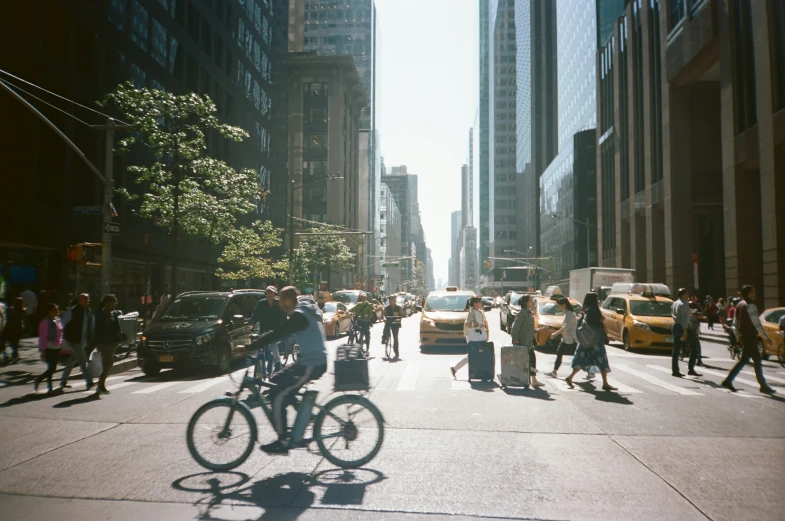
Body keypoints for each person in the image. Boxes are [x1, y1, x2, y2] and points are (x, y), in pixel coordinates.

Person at [254, 286, 328, 454]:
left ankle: (282, 441)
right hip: (306, 360)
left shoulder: (299, 315)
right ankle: (305, 414)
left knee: (277, 397)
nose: (280, 305)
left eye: (281, 301)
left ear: (288, 300)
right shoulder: (300, 311)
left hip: (312, 363)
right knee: (277, 380)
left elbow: (280, 333)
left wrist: (252, 346)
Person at [722, 285, 774, 394]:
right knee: (744, 360)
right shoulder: (750, 306)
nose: (755, 294)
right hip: (750, 337)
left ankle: (763, 385)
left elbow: (735, 322)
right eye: (753, 292)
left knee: (757, 360)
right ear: (749, 293)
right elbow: (757, 324)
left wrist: (738, 336)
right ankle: (728, 380)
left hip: (745, 337)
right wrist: (766, 337)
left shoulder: (739, 305)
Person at [565, 292, 616, 391]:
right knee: (602, 360)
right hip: (596, 340)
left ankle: (570, 377)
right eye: (596, 299)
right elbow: (598, 327)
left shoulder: (585, 310)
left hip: (585, 340)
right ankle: (605, 383)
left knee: (580, 359)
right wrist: (604, 333)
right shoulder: (595, 310)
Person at [59, 293, 95, 390]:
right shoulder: (72, 311)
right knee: (84, 361)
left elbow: (91, 326)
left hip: (82, 341)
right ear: (79, 300)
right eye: (85, 299)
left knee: (71, 361)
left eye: (88, 300)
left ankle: (63, 381)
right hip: (74, 341)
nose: (88, 301)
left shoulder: (88, 311)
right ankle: (89, 381)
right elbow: (62, 324)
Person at [450, 296, 489, 378]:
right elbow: (468, 324)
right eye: (479, 302)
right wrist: (478, 324)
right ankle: (479, 372)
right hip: (474, 338)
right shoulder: (472, 312)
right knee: (473, 355)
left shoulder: (479, 312)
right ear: (475, 304)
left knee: (474, 355)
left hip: (479, 337)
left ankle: (455, 369)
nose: (481, 304)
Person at [251, 286, 287, 375]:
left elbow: (283, 318)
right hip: (263, 330)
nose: (269, 294)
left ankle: (277, 362)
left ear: (275, 294)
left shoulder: (279, 304)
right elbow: (255, 315)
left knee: (273, 344)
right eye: (268, 292)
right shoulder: (261, 303)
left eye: (271, 293)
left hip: (276, 331)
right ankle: (259, 363)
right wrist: (251, 325)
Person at [510, 295, 544, 387]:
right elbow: (515, 328)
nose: (532, 302)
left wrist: (538, 330)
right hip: (522, 343)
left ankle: (533, 379)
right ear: (526, 303)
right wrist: (515, 340)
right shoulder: (522, 313)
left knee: (532, 361)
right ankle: (520, 379)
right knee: (522, 362)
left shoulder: (529, 313)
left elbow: (529, 329)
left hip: (529, 343)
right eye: (530, 301)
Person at [94, 295, 122, 394]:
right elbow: (98, 330)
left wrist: (119, 337)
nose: (114, 305)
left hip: (112, 342)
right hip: (104, 342)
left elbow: (116, 327)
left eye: (115, 303)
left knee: (107, 363)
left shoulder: (114, 314)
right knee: (109, 362)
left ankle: (101, 384)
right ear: (107, 303)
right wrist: (98, 342)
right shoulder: (101, 315)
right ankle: (100, 384)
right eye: (113, 303)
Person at [33, 304, 63, 393]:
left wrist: (60, 346)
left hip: (56, 347)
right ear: (49, 311)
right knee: (52, 368)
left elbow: (60, 334)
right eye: (54, 310)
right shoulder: (45, 322)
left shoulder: (57, 321)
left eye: (57, 310)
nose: (57, 312)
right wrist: (42, 350)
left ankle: (49, 386)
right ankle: (39, 379)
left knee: (52, 368)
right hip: (49, 347)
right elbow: (43, 337)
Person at [671, 288, 700, 377]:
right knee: (694, 346)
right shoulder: (684, 304)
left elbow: (673, 314)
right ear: (683, 295)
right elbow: (684, 319)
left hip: (675, 326)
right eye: (687, 294)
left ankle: (675, 370)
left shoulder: (675, 303)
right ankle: (691, 369)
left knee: (676, 349)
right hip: (682, 327)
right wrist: (685, 331)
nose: (688, 296)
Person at [545, 298, 577, 378]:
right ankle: (554, 371)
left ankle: (590, 370)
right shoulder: (566, 313)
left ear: (564, 305)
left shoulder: (570, 314)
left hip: (572, 339)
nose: (559, 308)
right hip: (566, 339)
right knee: (559, 353)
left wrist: (555, 333)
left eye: (559, 306)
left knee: (578, 356)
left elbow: (565, 327)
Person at [2, 297, 24, 364]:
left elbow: (8, 318)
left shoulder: (12, 309)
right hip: (19, 328)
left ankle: (13, 356)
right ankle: (15, 355)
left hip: (12, 328)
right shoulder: (22, 310)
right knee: (15, 343)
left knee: (12, 343)